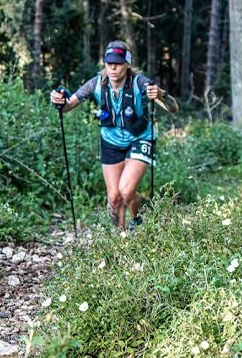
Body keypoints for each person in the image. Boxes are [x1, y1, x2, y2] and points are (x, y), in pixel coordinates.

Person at [50, 41, 178, 230]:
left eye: (117, 63)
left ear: (127, 64)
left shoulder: (139, 82)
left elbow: (173, 108)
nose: (112, 67)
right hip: (111, 140)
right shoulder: (96, 83)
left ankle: (137, 221)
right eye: (109, 62)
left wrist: (161, 94)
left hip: (140, 137)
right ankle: (122, 238)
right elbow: (68, 105)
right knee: (114, 198)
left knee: (126, 190)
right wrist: (58, 100)